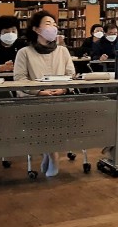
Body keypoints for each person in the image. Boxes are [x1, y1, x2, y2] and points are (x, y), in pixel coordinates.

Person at [13, 11, 75, 177]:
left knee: (57, 117)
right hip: (34, 100)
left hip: (60, 98)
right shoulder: (24, 52)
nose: (53, 27)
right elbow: (20, 79)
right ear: (36, 29)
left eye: (54, 24)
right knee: (43, 119)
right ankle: (52, 155)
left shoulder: (63, 51)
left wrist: (63, 89)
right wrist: (39, 91)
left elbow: (71, 75)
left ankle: (50, 154)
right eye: (48, 24)